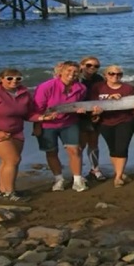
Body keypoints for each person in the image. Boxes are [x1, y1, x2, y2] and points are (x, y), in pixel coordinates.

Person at [0, 69, 56, 201]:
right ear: (1, 79)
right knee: (13, 160)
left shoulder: (24, 94)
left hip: (15, 131)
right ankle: (10, 193)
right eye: (9, 78)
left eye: (18, 79)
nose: (14, 81)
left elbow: (27, 114)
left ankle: (3, 191)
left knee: (8, 161)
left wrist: (43, 118)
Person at [33, 61, 91, 192]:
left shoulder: (81, 88)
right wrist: (37, 125)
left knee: (75, 150)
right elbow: (37, 109)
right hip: (47, 124)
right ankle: (59, 179)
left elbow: (78, 105)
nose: (72, 74)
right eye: (68, 71)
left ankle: (77, 180)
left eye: (75, 71)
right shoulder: (46, 86)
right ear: (61, 72)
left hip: (69, 122)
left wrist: (81, 110)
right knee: (51, 152)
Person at [89, 65, 134, 188]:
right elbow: (93, 104)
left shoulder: (128, 89)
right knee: (113, 149)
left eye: (118, 74)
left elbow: (133, 107)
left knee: (122, 148)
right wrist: (105, 103)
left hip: (124, 121)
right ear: (105, 75)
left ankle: (118, 177)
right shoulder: (98, 87)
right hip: (105, 122)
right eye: (111, 73)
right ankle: (119, 172)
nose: (115, 76)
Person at [78, 56, 107, 181]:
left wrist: (97, 114)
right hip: (78, 114)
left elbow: (101, 96)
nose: (92, 68)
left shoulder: (98, 79)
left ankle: (95, 169)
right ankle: (77, 173)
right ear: (82, 65)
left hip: (95, 112)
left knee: (94, 142)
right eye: (89, 65)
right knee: (81, 144)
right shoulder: (76, 78)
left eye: (96, 66)